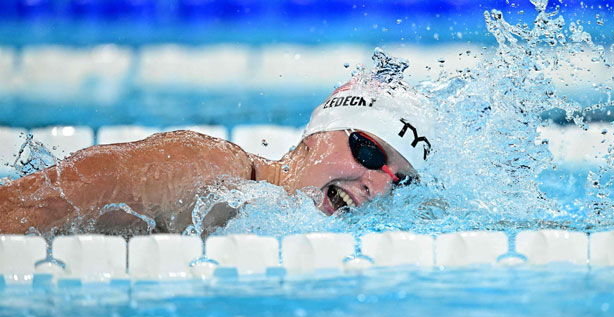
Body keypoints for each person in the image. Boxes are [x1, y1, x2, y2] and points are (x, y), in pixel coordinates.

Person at [0, 78, 433, 236]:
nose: (375, 187)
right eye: (368, 151)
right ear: (317, 135)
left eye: (401, 180)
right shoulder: (198, 169)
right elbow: (21, 209)